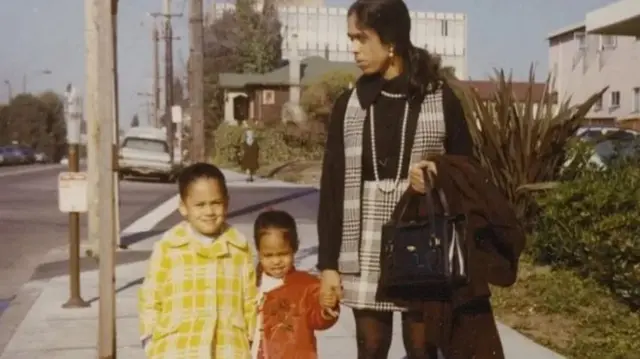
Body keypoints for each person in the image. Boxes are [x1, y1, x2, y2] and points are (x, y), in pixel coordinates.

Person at [316, 0, 474, 358]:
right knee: (370, 348)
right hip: (362, 243)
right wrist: (328, 265)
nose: (353, 47)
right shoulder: (349, 104)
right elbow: (332, 189)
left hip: (423, 238)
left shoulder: (440, 98)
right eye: (350, 38)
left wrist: (436, 173)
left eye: (361, 38)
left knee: (422, 349)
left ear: (391, 41)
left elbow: (468, 169)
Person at [138, 163, 257, 359]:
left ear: (226, 203)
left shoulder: (239, 249)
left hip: (228, 349)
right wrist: (150, 339)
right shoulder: (168, 247)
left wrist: (251, 340)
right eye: (200, 205)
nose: (209, 211)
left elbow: (249, 301)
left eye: (216, 203)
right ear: (183, 207)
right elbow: (150, 297)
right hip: (178, 349)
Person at [251, 209, 339, 359]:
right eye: (268, 255)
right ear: (259, 252)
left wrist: (327, 306)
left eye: (283, 254)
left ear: (294, 248)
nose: (276, 261)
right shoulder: (251, 283)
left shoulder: (306, 286)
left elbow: (319, 319)